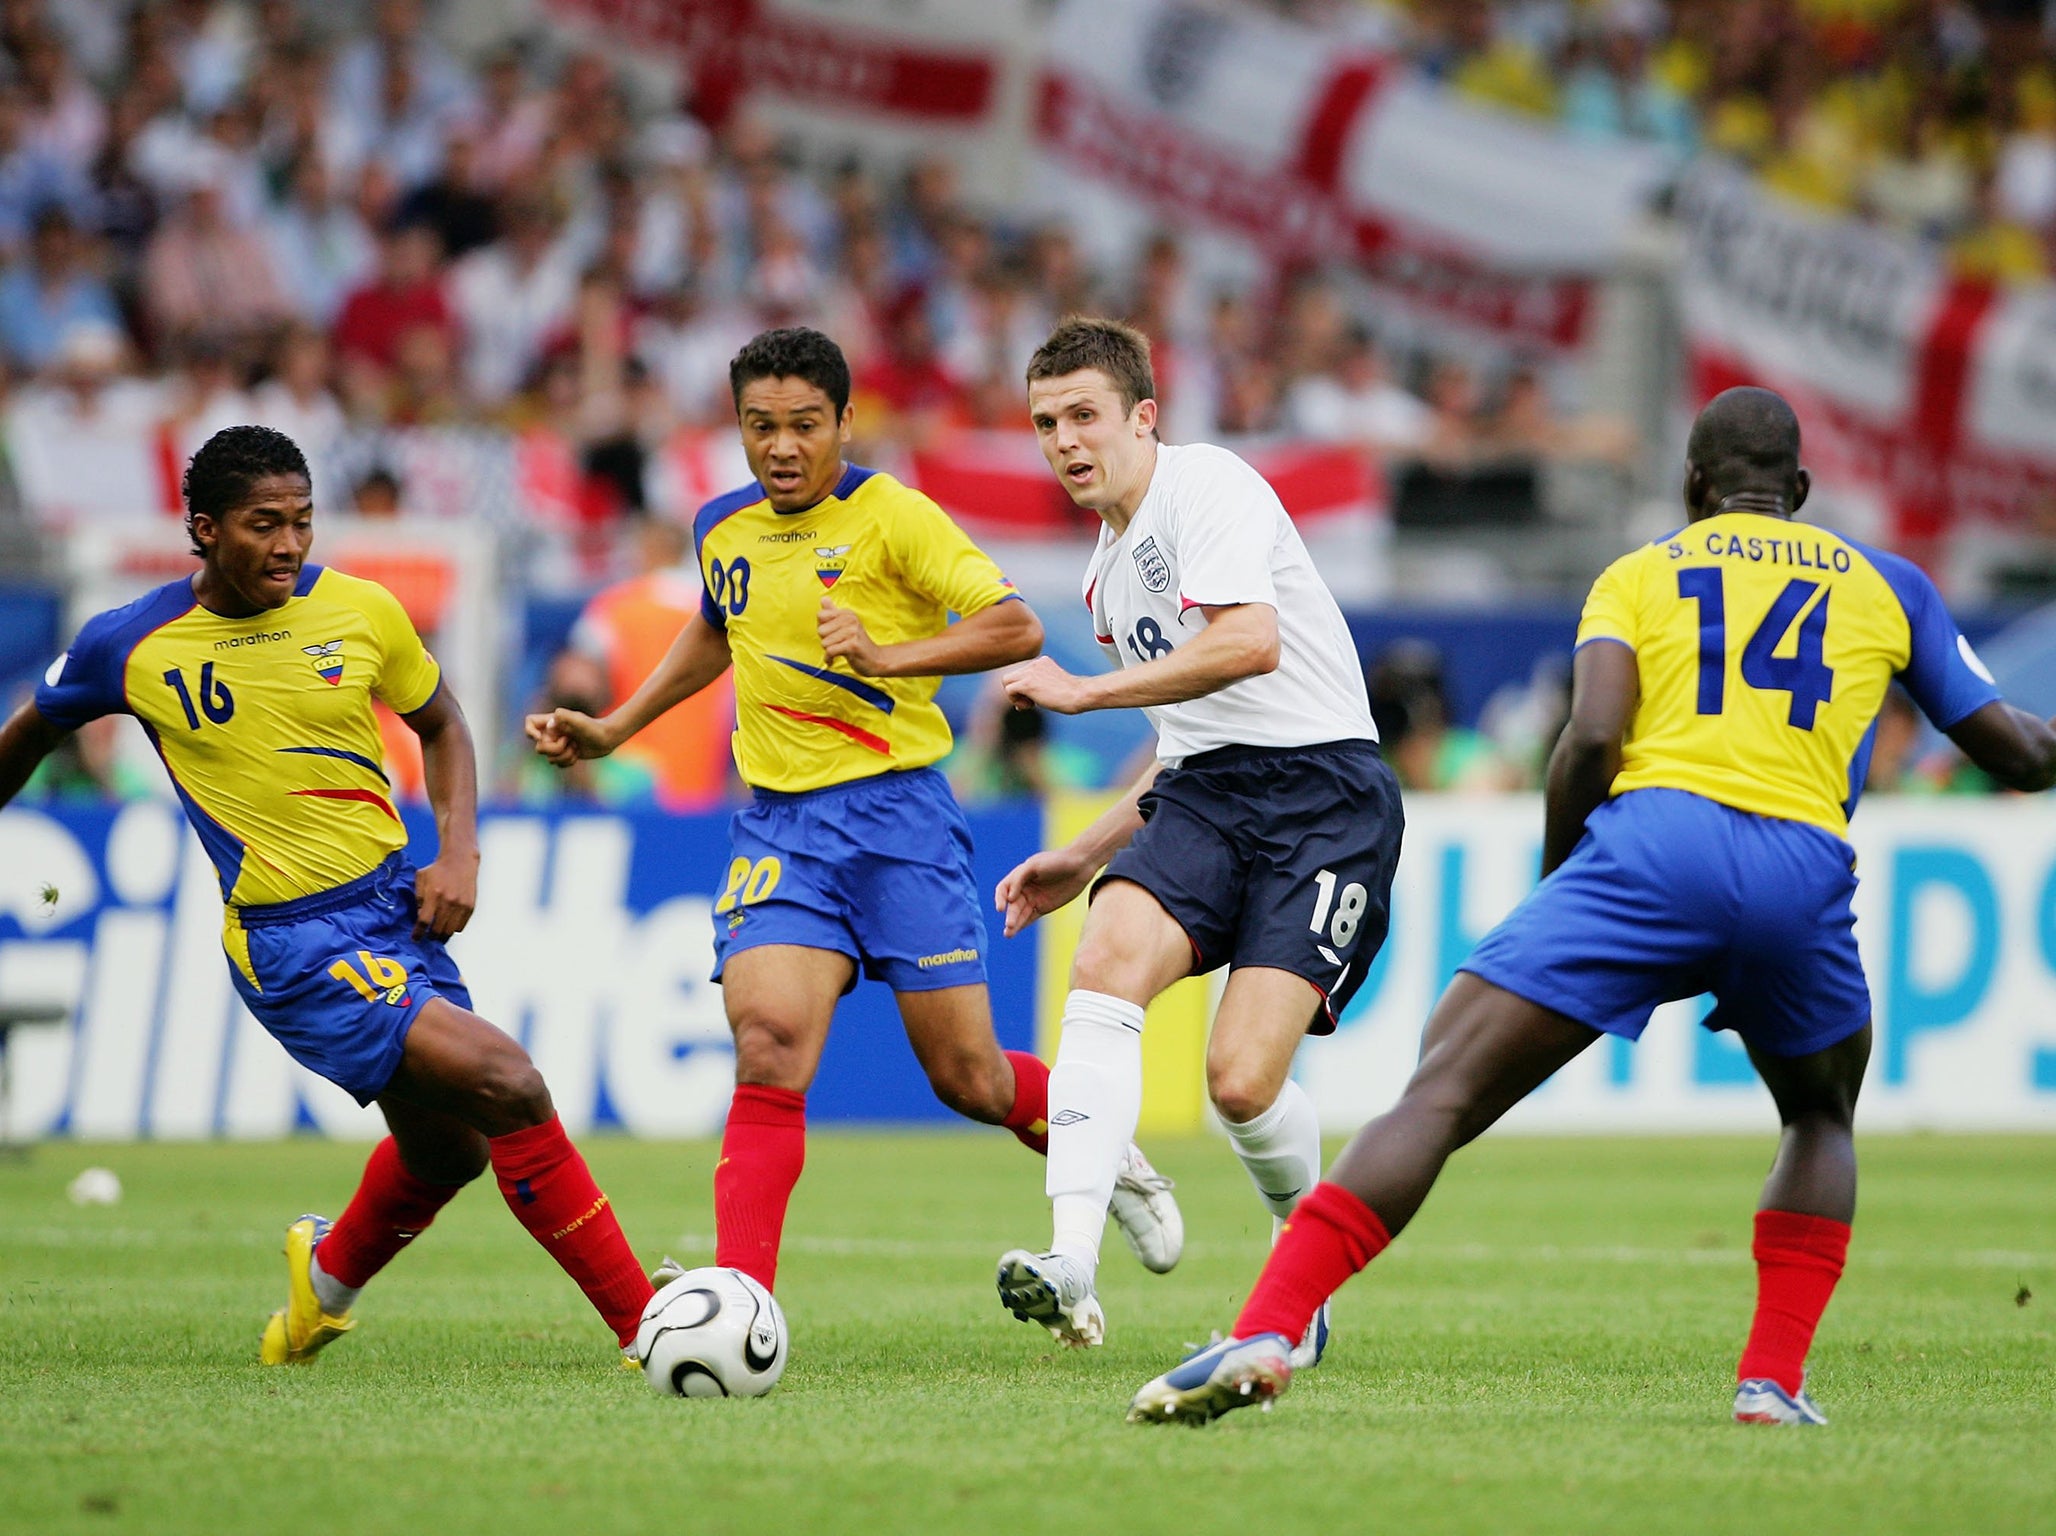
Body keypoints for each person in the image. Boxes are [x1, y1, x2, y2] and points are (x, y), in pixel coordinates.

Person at [1127, 387, 2056, 1428]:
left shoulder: (1641, 573)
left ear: (1693, 486)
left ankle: (1268, 1325)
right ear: (1797, 491)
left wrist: (1567, 885)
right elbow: (2018, 754)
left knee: (1440, 1091)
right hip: (1802, 867)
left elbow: (1591, 741)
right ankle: (1770, 1384)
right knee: (1817, 1113)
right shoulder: (1889, 586)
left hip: (1653, 850)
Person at [527, 326, 1182, 1296]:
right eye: (759, 427)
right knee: (767, 1046)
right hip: (781, 826)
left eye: (802, 425)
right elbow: (718, 630)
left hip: (899, 821)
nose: (781, 447)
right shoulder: (722, 528)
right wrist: (615, 728)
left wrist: (886, 655)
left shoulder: (895, 518)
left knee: (969, 1080)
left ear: (842, 421)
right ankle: (740, 1300)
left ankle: (1100, 1155)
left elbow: (1014, 625)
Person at [0, 426, 654, 1367]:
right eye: (264, 525)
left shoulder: (360, 611)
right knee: (509, 1084)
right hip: (292, 942)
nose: (289, 544)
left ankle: (324, 1283)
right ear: (203, 527)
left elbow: (443, 722)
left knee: (451, 1152)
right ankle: (650, 1328)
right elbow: (29, 728)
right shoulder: (131, 642)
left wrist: (458, 852)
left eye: (301, 522)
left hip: (395, 908)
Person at [993, 318, 1402, 1358]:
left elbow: (1248, 644)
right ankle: (1069, 1257)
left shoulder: (1206, 484)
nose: (1064, 441)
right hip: (1210, 795)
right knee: (1105, 957)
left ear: (1142, 417)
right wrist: (1082, 854)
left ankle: (1298, 1277)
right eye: (1045, 423)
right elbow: (1188, 744)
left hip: (1326, 797)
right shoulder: (1101, 578)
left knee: (1239, 1083)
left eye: (1083, 415)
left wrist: (1084, 695)